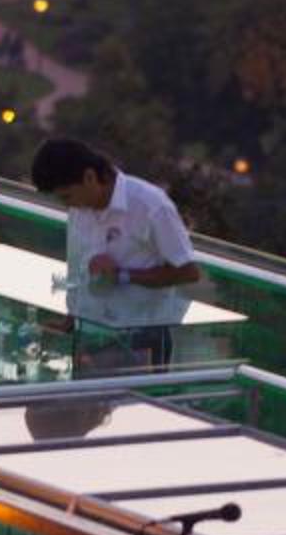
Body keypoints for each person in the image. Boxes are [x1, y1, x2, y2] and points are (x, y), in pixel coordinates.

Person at [29, 135, 201, 369]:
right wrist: (70, 320)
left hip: (140, 339)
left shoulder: (150, 205)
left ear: (90, 177)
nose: (66, 204)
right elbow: (80, 268)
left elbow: (188, 272)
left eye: (67, 196)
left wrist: (123, 275)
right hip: (89, 333)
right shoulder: (80, 208)